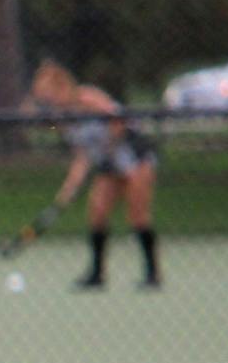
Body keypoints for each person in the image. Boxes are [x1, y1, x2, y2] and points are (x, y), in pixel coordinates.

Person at [30, 60, 161, 290]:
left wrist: (107, 148)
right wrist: (67, 192)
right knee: (97, 211)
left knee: (137, 215)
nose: (47, 102)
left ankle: (152, 274)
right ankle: (97, 274)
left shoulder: (87, 98)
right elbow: (82, 157)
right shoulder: (63, 122)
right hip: (108, 164)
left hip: (135, 158)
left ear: (62, 87)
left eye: (49, 95)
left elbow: (118, 121)